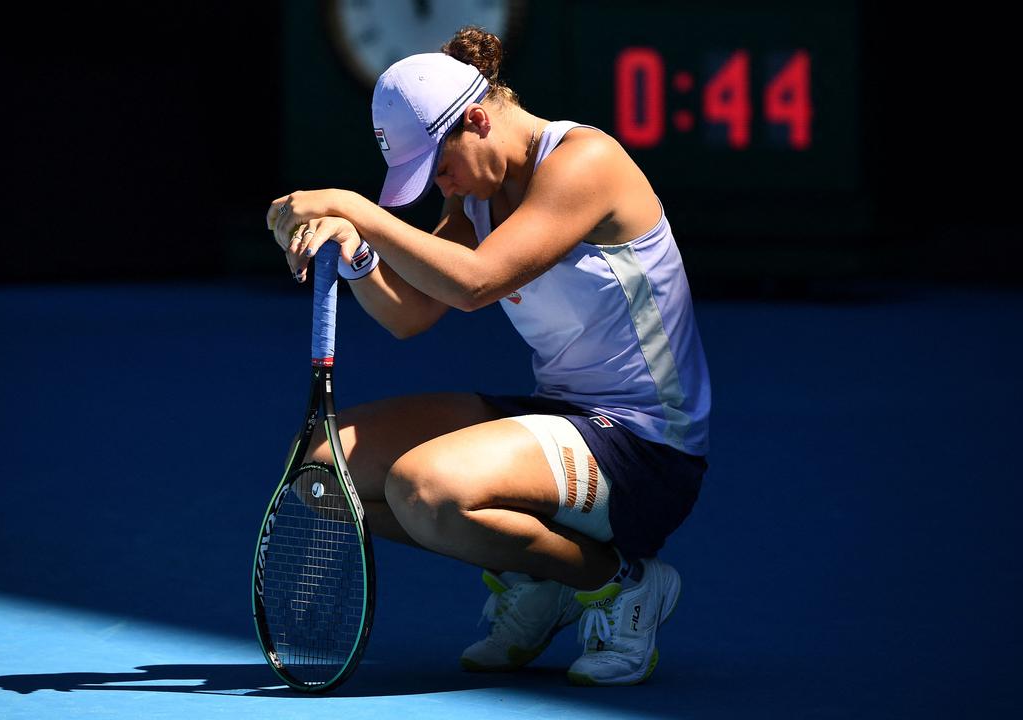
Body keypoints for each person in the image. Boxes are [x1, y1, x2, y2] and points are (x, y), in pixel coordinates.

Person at [266, 27, 710, 687]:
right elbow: (410, 314)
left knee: (426, 489)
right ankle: (540, 574)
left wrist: (357, 209)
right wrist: (355, 254)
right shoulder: (473, 194)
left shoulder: (587, 161)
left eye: (439, 166)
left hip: (647, 447)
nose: (438, 183)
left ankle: (619, 582)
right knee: (323, 473)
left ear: (476, 120)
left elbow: (475, 282)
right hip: (563, 418)